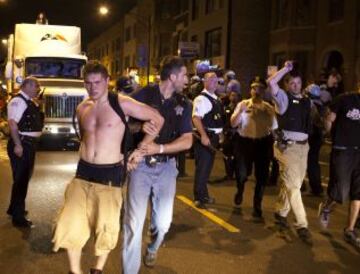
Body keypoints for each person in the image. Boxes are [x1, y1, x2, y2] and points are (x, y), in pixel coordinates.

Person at [52, 61, 164, 274]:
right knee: (69, 224)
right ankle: (75, 272)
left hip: (110, 175)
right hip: (83, 172)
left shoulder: (122, 103)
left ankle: (97, 270)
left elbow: (157, 119)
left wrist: (140, 150)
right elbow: (87, 138)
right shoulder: (82, 107)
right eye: (88, 83)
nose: (92, 87)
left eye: (97, 82)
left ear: (106, 81)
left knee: (106, 228)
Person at [122, 56, 192, 273]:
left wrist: (159, 149)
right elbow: (123, 119)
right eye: (185, 75)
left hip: (167, 168)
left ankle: (153, 246)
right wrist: (139, 126)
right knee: (134, 224)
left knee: (163, 224)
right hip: (141, 166)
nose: (187, 79)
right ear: (172, 76)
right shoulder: (144, 94)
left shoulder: (185, 104)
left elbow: (187, 139)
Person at [267, 61, 312, 244]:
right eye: (292, 83)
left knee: (294, 183)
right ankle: (302, 225)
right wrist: (286, 69)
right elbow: (271, 83)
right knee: (294, 187)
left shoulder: (306, 100)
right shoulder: (283, 99)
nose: (295, 86)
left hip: (303, 147)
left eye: (298, 83)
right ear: (286, 84)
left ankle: (281, 211)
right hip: (287, 148)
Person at [318, 86, 360, 249]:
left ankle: (349, 229)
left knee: (358, 193)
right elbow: (329, 118)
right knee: (340, 192)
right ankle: (327, 207)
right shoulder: (345, 99)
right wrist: (329, 133)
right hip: (343, 150)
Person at [230, 77, 277, 219]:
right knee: (242, 173)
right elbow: (233, 124)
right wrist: (240, 112)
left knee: (261, 177)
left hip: (262, 144)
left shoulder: (268, 108)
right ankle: (240, 189)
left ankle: (257, 206)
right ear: (250, 90)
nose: (256, 91)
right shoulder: (243, 104)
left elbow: (274, 128)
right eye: (254, 88)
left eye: (260, 88)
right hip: (245, 143)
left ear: (264, 92)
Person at [6, 77, 44, 228]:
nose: (38, 88)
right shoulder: (18, 101)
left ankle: (14, 209)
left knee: (22, 179)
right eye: (36, 85)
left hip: (27, 144)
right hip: (22, 143)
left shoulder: (27, 101)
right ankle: (18, 217)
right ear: (27, 85)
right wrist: (18, 145)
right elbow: (12, 123)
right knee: (21, 181)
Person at [192, 71, 224, 209]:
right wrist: (204, 136)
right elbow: (196, 118)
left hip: (213, 136)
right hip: (206, 137)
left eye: (216, 80)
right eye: (210, 79)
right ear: (204, 81)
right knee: (202, 168)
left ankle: (204, 195)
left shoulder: (215, 98)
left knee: (207, 168)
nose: (214, 82)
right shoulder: (201, 99)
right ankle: (199, 197)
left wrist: (220, 133)